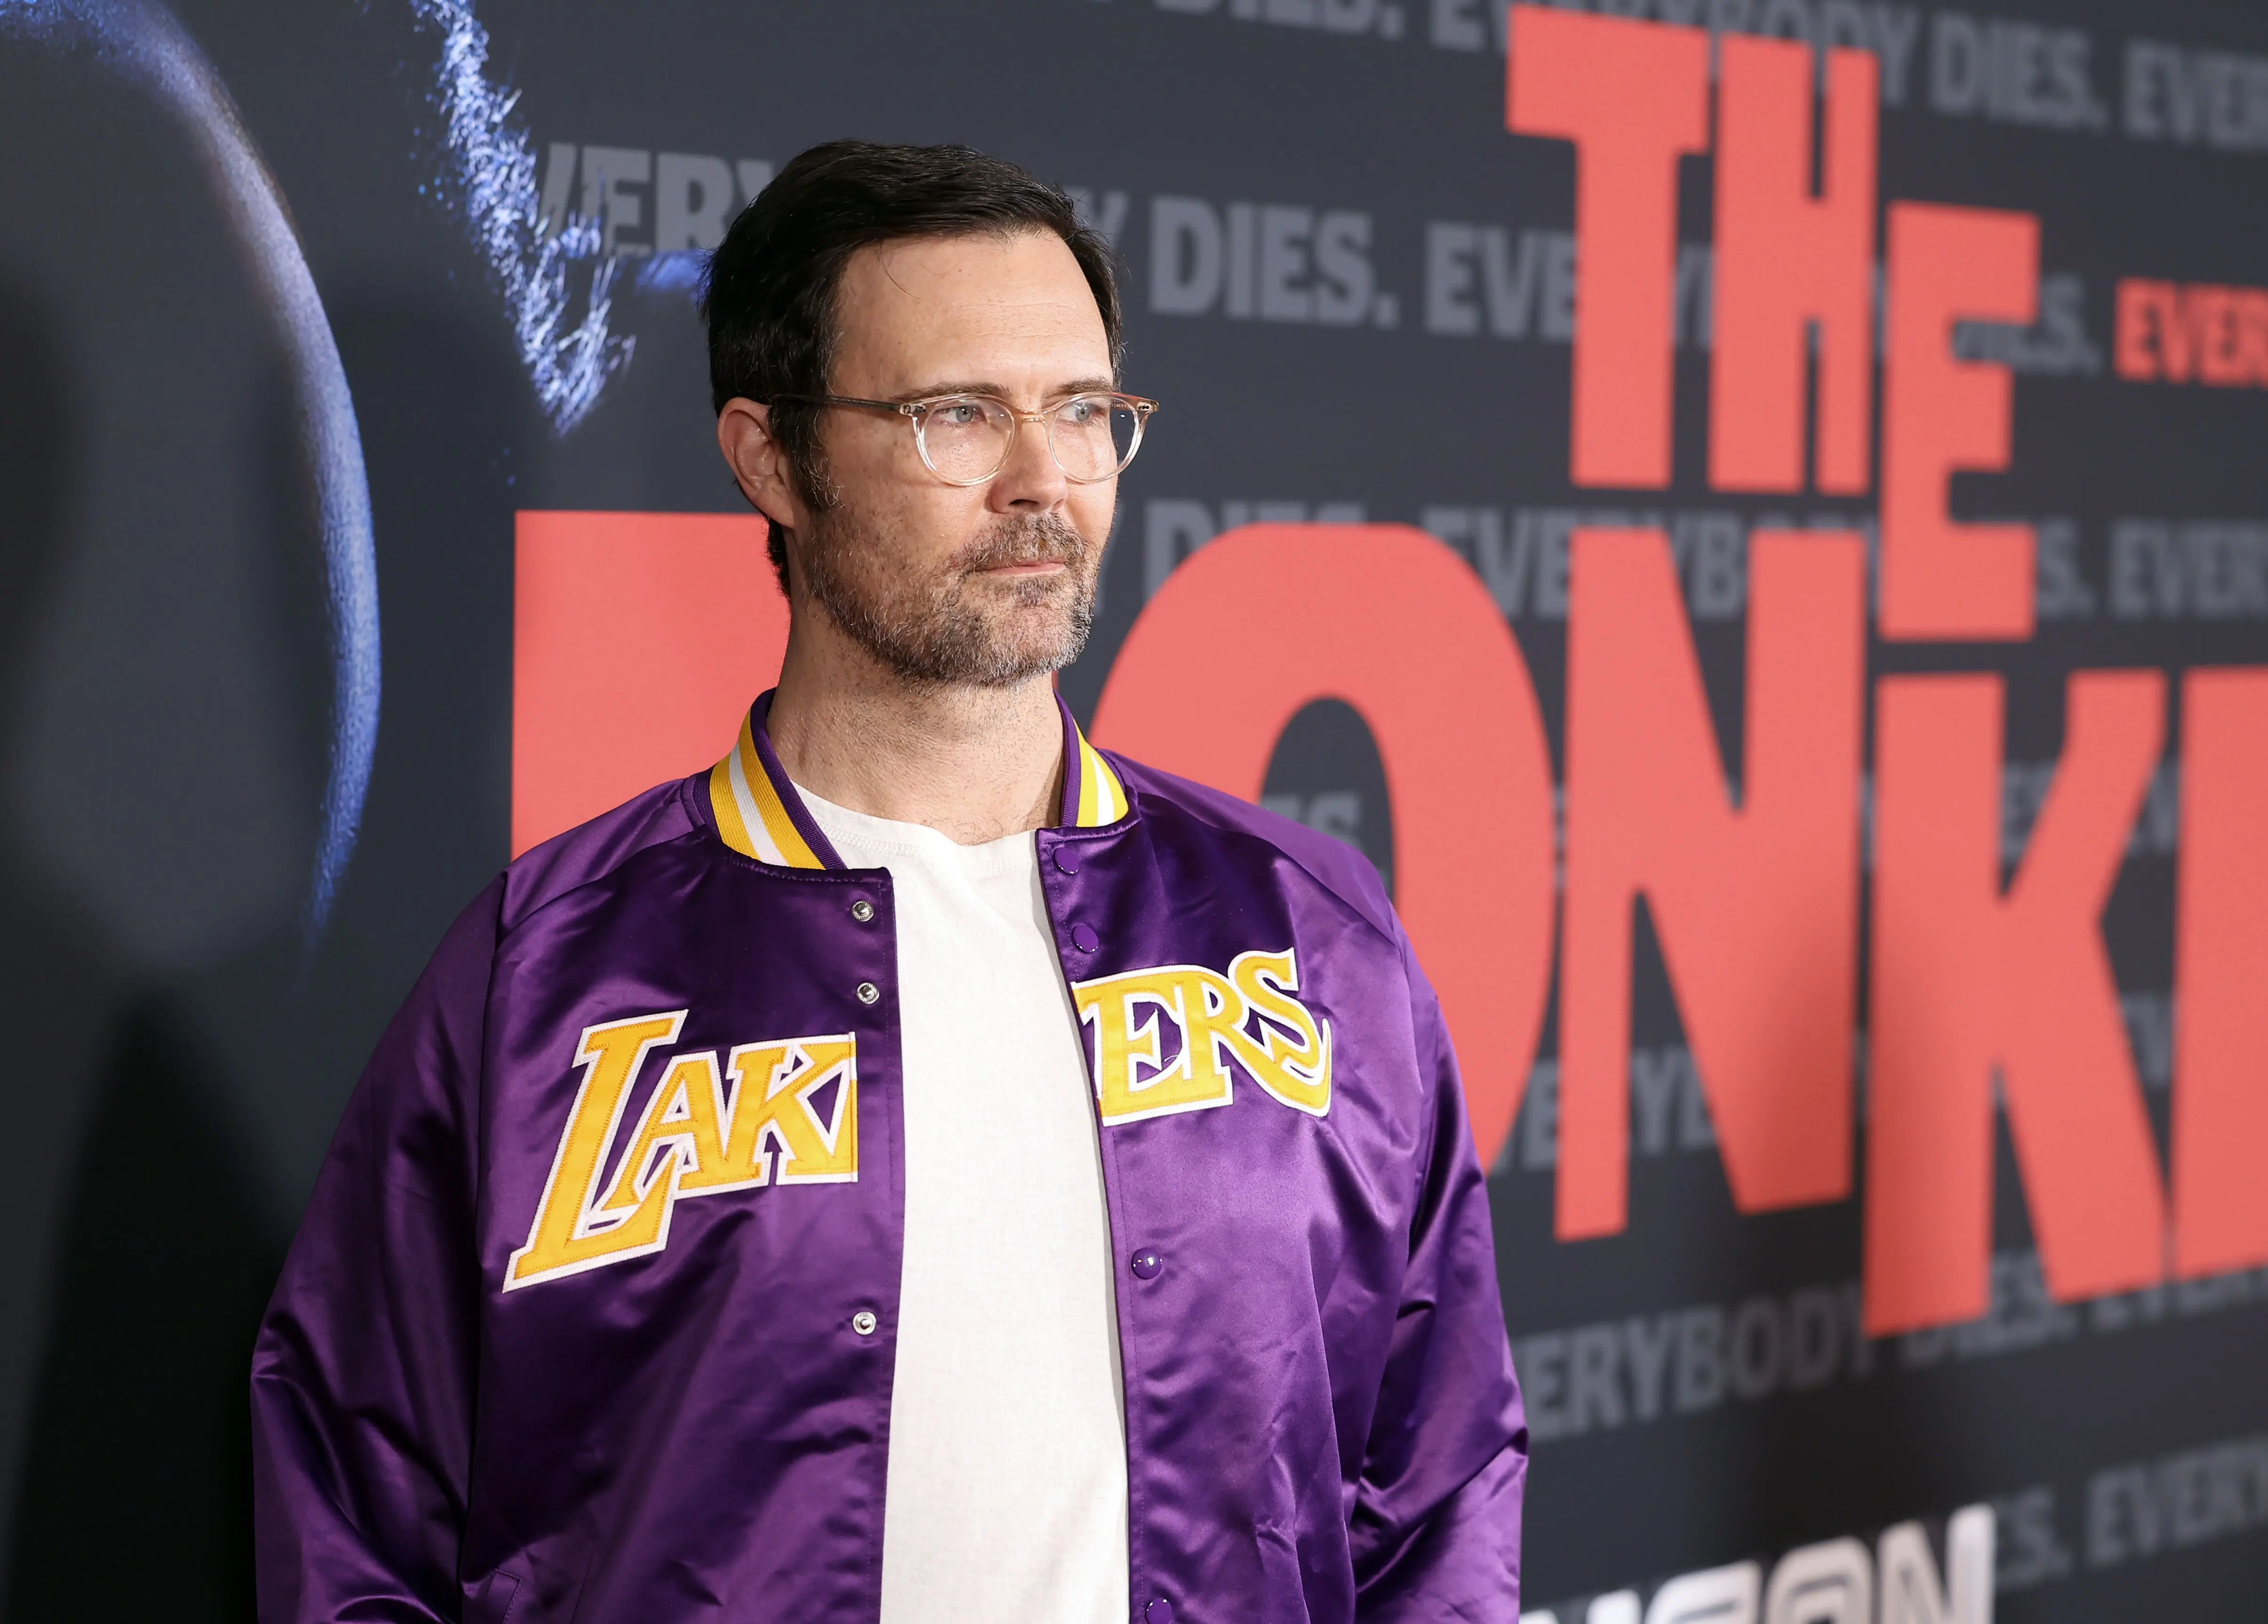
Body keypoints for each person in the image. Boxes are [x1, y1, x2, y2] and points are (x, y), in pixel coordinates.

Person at [251, 139, 1525, 1624]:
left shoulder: (1305, 930)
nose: (1043, 481)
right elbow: (355, 1510)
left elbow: (1438, 1484)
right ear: (771, 458)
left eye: (1083, 411)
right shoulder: (548, 974)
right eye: (957, 415)